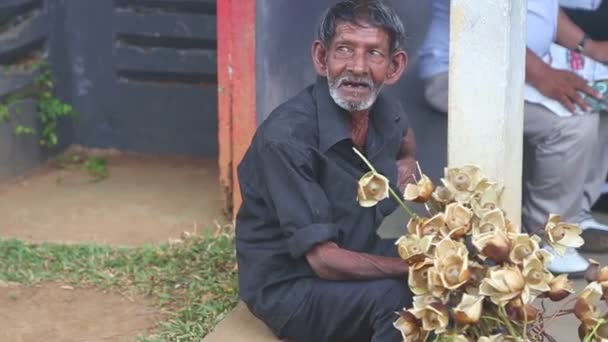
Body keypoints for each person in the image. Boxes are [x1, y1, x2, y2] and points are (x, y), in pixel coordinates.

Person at [235, 1, 416, 341]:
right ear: (321, 57)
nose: (358, 67)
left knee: (458, 261)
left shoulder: (386, 111)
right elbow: (324, 260)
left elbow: (406, 142)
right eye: (344, 50)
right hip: (293, 288)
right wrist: (415, 271)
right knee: (400, 299)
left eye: (374, 53)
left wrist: (405, 168)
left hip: (357, 249)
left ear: (394, 67)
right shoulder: (286, 139)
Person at [418, 0, 608, 276]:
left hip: (519, 63)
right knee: (572, 124)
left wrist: (590, 48)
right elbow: (489, 27)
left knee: (599, 100)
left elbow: (545, 9)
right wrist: (545, 76)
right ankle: (548, 239)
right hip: (461, 69)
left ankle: (574, 216)